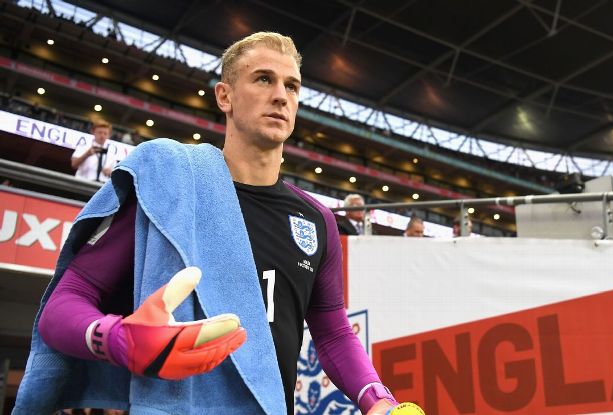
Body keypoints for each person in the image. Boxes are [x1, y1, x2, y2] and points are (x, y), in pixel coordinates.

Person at [14, 32, 423, 415]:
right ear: (224, 96)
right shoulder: (168, 183)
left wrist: (378, 400)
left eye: (291, 86)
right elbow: (62, 306)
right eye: (263, 79)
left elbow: (332, 332)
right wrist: (117, 338)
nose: (280, 96)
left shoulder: (316, 221)